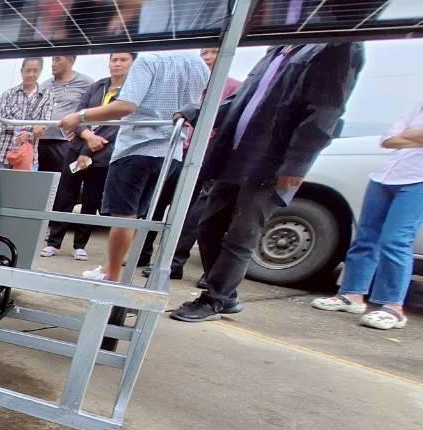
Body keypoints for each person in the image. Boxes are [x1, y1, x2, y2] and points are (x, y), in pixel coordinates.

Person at [170, 42, 363, 322]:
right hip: (236, 156)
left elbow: (326, 110)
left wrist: (296, 163)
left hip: (272, 162)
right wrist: (200, 111)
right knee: (208, 226)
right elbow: (242, 102)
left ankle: (215, 299)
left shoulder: (335, 47)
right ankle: (227, 294)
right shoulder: (277, 50)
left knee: (241, 234)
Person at [58, 51, 209, 283]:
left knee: (123, 216)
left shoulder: (149, 60)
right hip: (170, 152)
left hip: (137, 148)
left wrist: (80, 116)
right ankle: (112, 268)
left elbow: (126, 106)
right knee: (137, 215)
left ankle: (113, 277)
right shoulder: (198, 64)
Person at [311, 99, 423, 330]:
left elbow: (400, 137)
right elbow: (388, 139)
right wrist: (413, 136)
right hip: (385, 176)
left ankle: (393, 307)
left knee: (396, 240)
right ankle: (352, 294)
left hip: (417, 181)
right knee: (366, 237)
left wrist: (407, 136)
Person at [137, 46, 243, 275]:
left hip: (205, 156)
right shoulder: (187, 83)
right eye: (204, 52)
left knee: (189, 211)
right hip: (175, 150)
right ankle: (141, 253)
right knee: (156, 203)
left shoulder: (234, 88)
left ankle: (173, 263)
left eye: (213, 52)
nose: (207, 57)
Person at [42, 51, 135, 260]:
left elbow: (119, 123)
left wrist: (95, 143)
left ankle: (80, 245)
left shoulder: (131, 92)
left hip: (103, 154)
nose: (117, 64)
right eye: (114, 59)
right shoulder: (96, 87)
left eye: (123, 60)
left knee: (91, 200)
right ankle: (54, 242)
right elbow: (76, 116)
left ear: (132, 63)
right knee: (65, 195)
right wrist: (87, 137)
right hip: (77, 148)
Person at [0, 58, 51, 169]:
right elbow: (5, 122)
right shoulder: (8, 94)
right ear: (22, 71)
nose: (31, 74)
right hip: (3, 155)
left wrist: (30, 133)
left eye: (35, 71)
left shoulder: (47, 96)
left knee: (26, 186)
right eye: (28, 70)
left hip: (29, 158)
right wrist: (31, 129)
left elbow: (43, 126)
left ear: (40, 71)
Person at [38, 55, 96, 176]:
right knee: (42, 183)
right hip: (42, 142)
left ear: (71, 60)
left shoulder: (86, 83)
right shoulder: (44, 85)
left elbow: (93, 112)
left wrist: (83, 136)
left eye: (57, 59)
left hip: (67, 143)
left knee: (64, 183)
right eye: (52, 59)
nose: (53, 63)